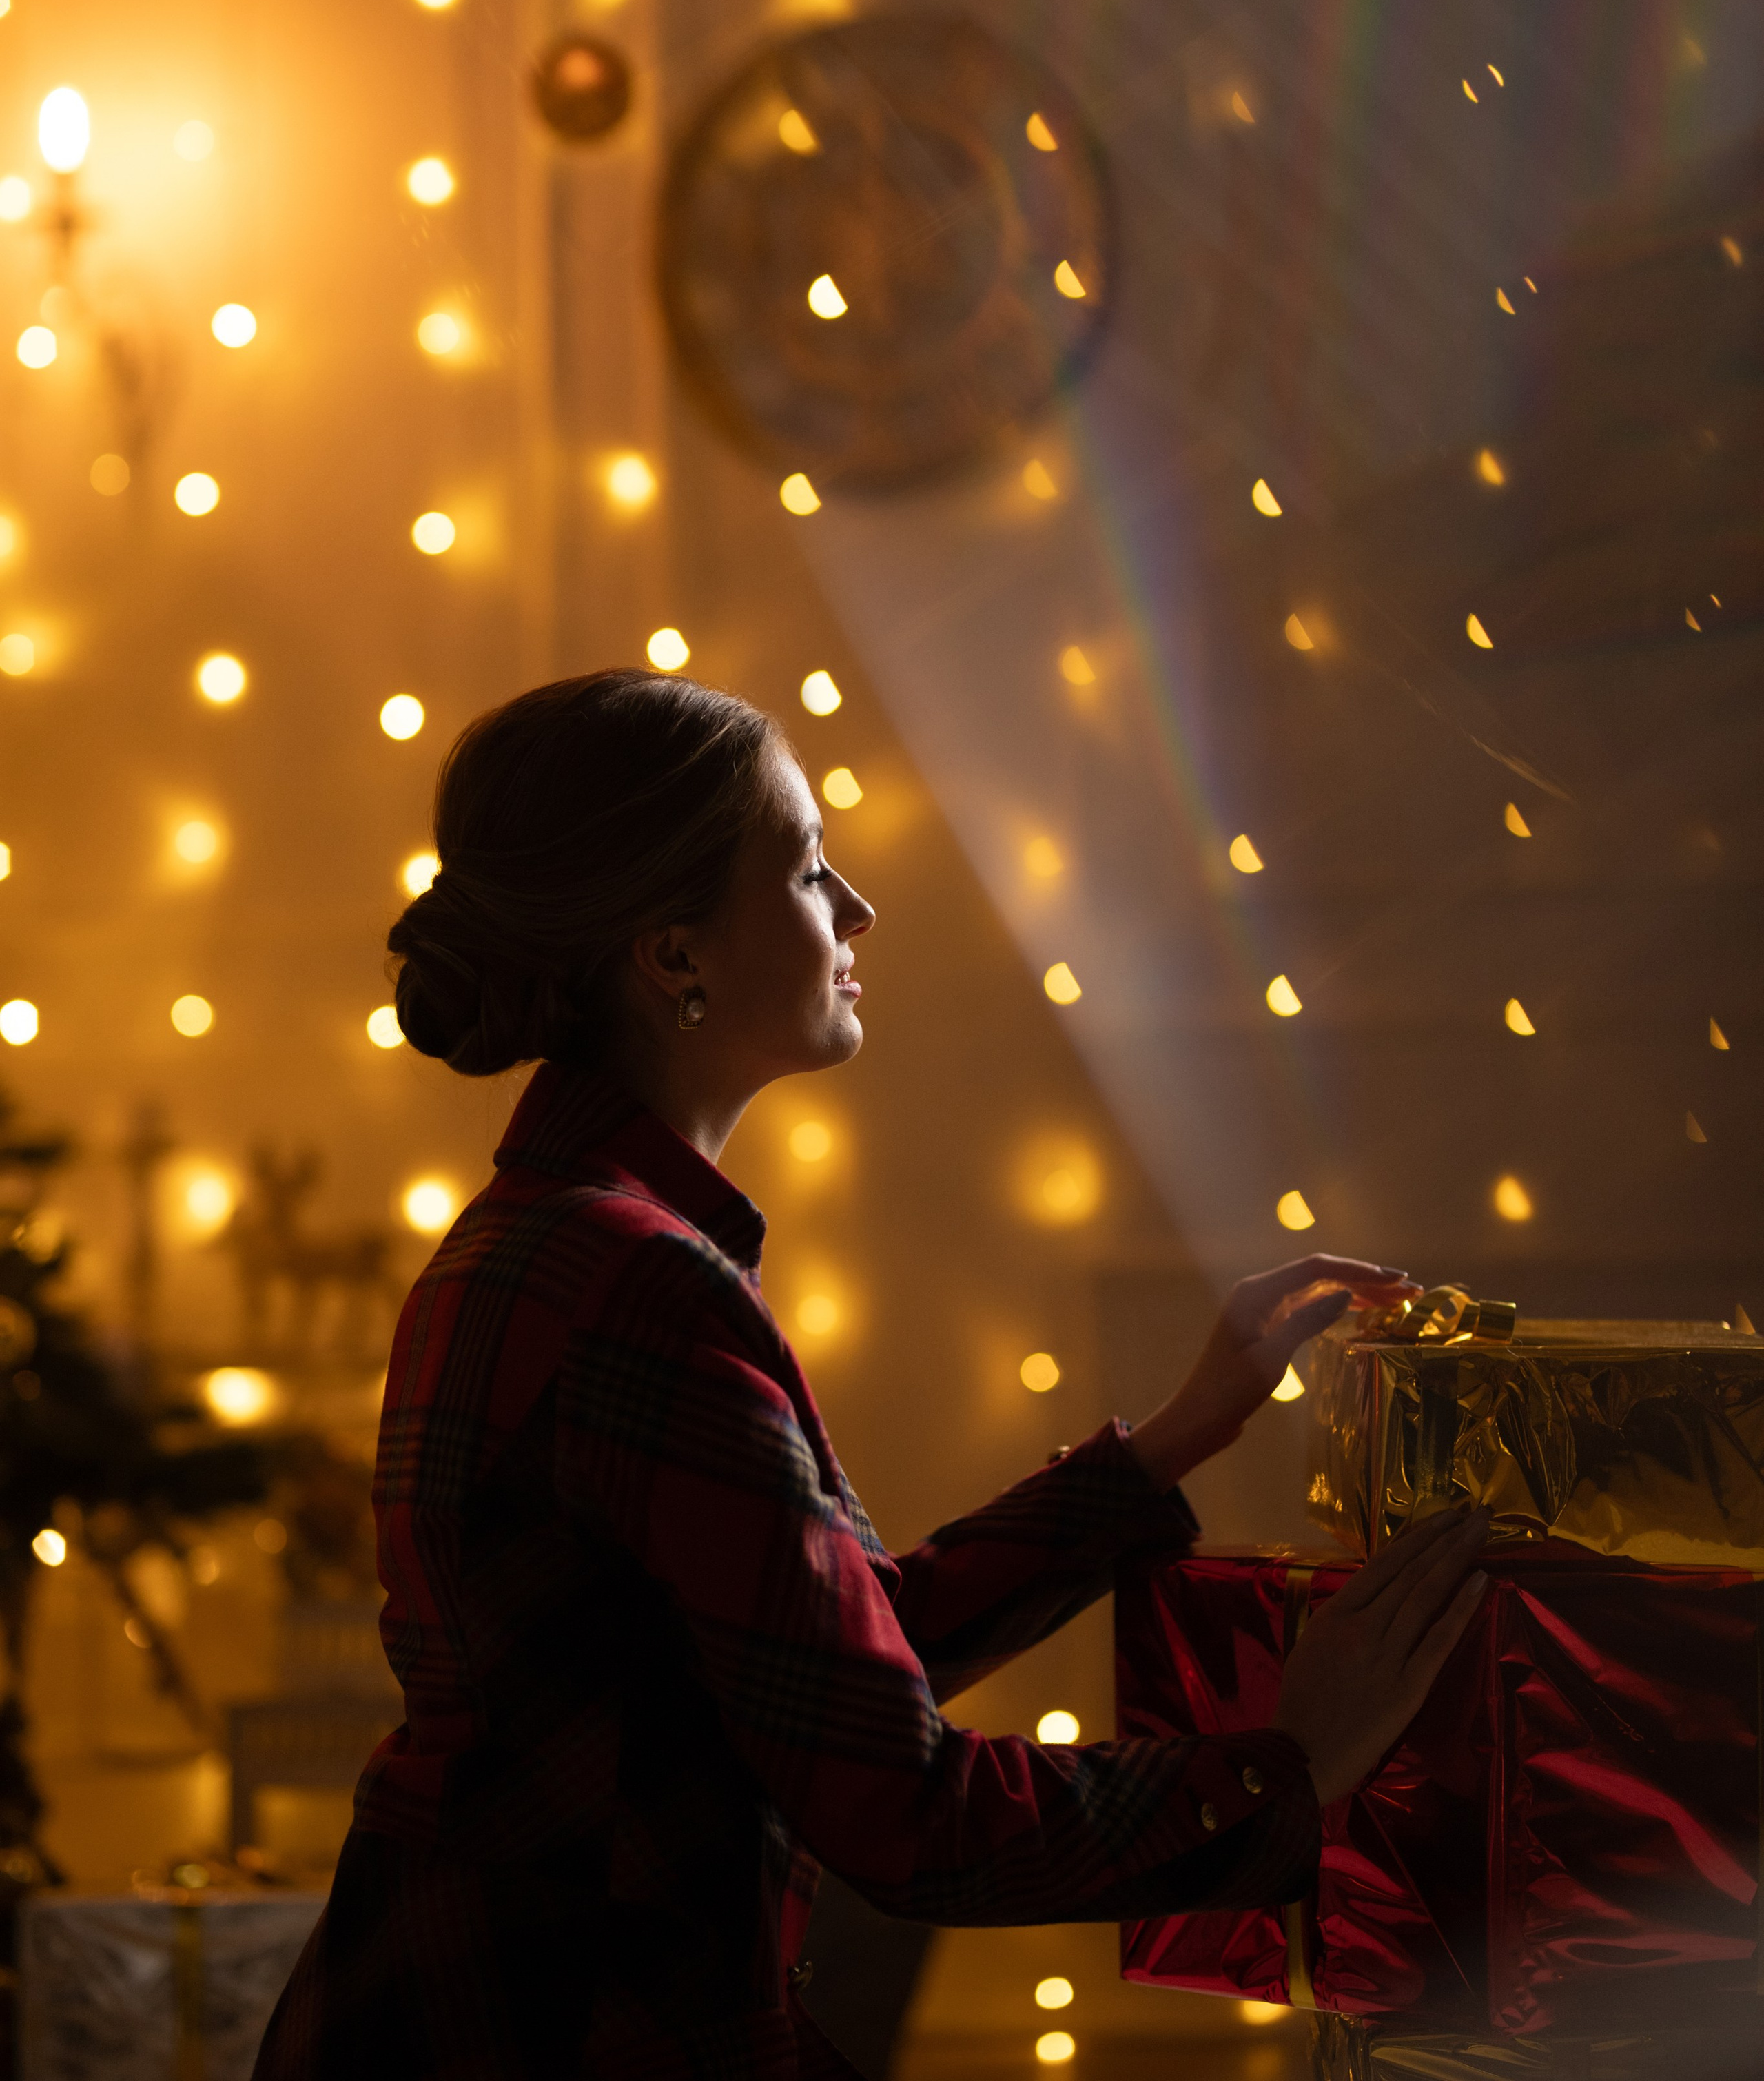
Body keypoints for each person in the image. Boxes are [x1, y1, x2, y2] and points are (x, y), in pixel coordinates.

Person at [254, 670, 1489, 2081]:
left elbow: (801, 1675)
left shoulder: (546, 1237)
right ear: (672, 955)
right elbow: (907, 1815)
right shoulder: (640, 1284)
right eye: (804, 866)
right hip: (566, 2032)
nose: (857, 911)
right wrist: (1291, 1768)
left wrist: (1158, 1455)